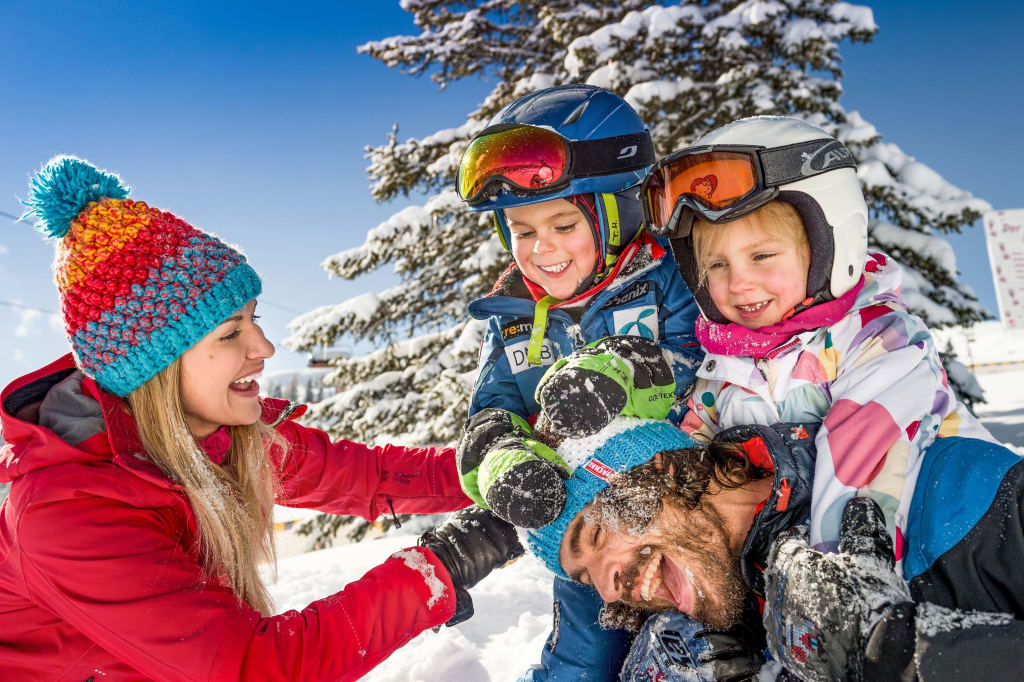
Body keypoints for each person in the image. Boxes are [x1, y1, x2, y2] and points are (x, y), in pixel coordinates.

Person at [0, 157, 522, 681]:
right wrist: (445, 566)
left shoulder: (216, 437)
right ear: (153, 367)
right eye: (231, 333)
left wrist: (502, 467)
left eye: (257, 319)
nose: (265, 347)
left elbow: (365, 475)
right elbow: (255, 669)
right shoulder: (68, 516)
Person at [638, 115, 997, 558]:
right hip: (809, 570)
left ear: (831, 244)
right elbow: (692, 464)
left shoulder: (877, 339)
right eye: (717, 265)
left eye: (763, 255)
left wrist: (834, 583)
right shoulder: (723, 371)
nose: (739, 283)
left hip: (956, 546)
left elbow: (861, 475)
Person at [453, 84, 704, 681]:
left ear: (616, 210)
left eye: (564, 223)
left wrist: (622, 373)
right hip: (587, 534)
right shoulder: (510, 317)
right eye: (520, 229)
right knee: (581, 661)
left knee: (698, 644)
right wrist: (502, 460)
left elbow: (703, 362)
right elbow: (490, 415)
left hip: (679, 514)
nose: (542, 250)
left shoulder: (664, 278)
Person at [519, 392, 1024, 681]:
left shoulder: (958, 491)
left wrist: (898, 653)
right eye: (586, 578)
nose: (609, 589)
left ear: (661, 468)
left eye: (595, 533)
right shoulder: (704, 652)